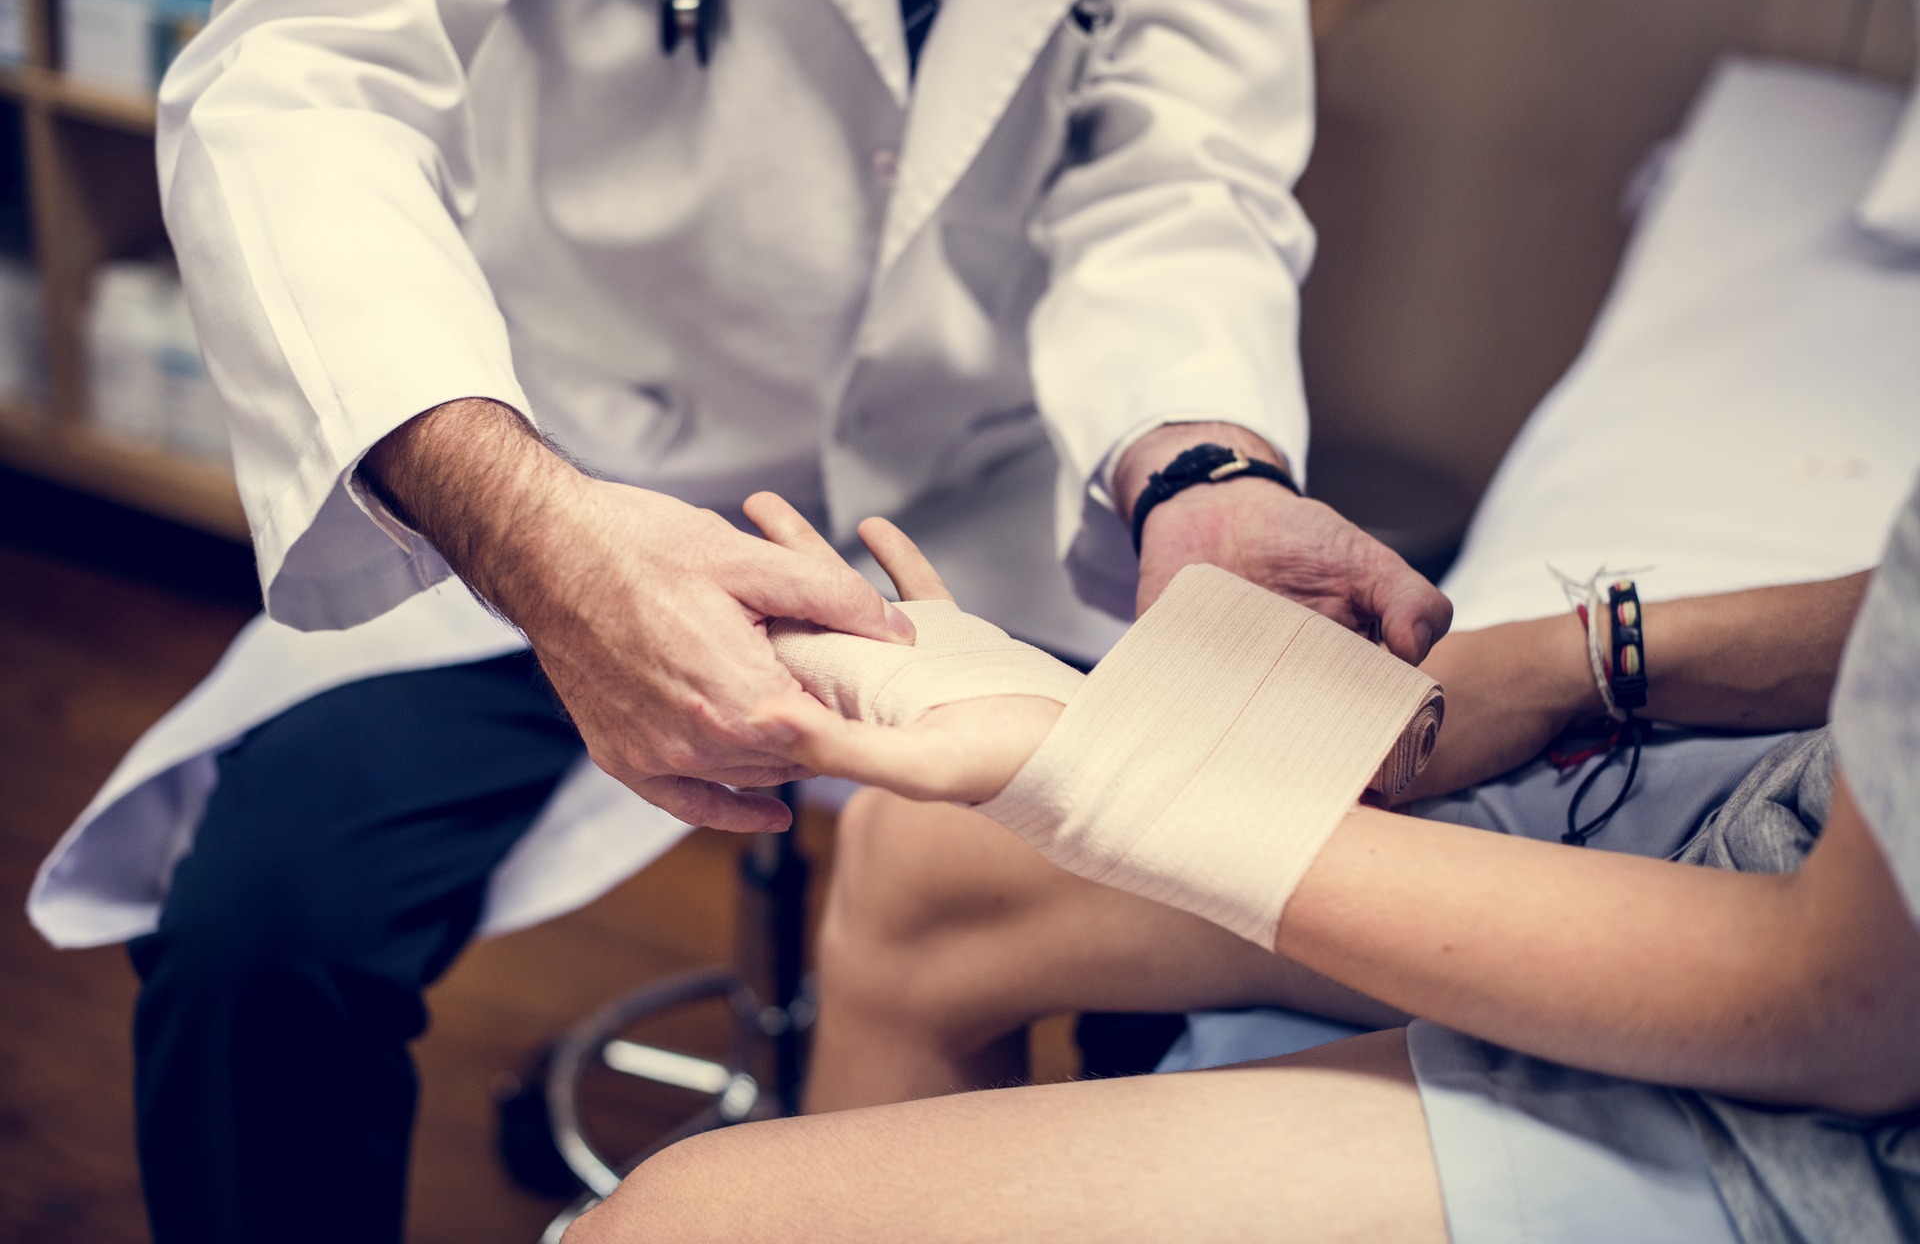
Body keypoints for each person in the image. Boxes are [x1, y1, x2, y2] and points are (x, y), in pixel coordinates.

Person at [28, 0, 1450, 1242]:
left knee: (1198, 947)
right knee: (259, 939)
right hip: (576, 475)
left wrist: (1198, 463)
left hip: (983, 510)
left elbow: (1178, 184)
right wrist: (529, 526)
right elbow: (299, 82)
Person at [565, 488, 1920, 1244]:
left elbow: (1839, 1014)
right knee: (932, 853)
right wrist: (1585, 663)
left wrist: (1110, 779)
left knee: (683, 1226)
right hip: (1801, 824)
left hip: (1851, 1106)